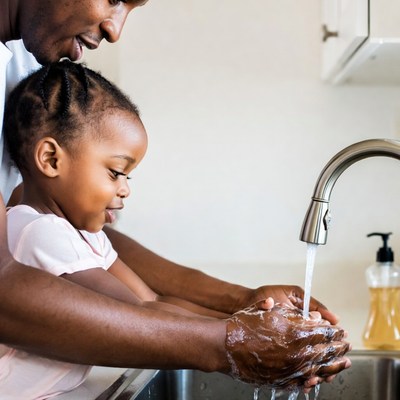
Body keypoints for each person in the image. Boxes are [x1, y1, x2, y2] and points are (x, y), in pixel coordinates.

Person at [0, 0, 351, 391]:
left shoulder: (29, 61)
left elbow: (149, 303)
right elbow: (9, 285)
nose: (116, 30)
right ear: (49, 158)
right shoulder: (39, 233)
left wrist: (247, 313)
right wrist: (233, 341)